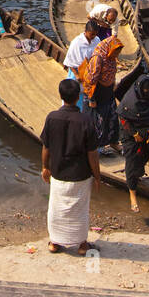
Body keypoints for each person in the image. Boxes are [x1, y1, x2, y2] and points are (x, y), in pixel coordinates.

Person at [40, 77, 101, 255]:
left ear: (61, 96)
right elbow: (92, 153)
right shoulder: (86, 120)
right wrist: (97, 176)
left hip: (58, 172)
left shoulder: (52, 117)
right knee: (79, 210)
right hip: (80, 174)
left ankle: (54, 242)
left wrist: (45, 166)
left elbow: (46, 146)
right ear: (78, 97)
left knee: (57, 208)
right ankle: (82, 245)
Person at [116, 71, 149, 212]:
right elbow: (123, 119)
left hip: (148, 130)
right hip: (131, 133)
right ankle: (132, 196)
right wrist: (134, 133)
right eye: (145, 90)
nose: (147, 92)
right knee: (131, 161)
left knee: (146, 154)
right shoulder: (130, 100)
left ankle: (139, 171)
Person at [76, 34, 123, 153]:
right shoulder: (98, 58)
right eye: (115, 52)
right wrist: (91, 99)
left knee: (111, 118)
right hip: (96, 93)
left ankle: (112, 142)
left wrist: (113, 85)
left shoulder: (111, 58)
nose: (116, 55)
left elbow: (111, 74)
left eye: (118, 52)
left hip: (107, 92)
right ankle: (91, 147)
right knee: (95, 120)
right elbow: (91, 80)